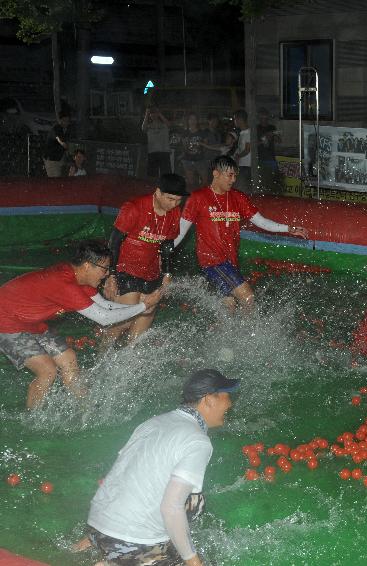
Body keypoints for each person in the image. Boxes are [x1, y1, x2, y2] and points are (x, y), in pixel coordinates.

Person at [76, 368, 239, 566]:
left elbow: (119, 473)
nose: (230, 403)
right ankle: (123, 559)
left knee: (193, 499)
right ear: (208, 399)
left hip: (97, 526)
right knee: (196, 507)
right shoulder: (198, 441)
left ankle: (110, 551)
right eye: (227, 396)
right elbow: (171, 507)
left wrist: (99, 533)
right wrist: (194, 563)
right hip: (132, 541)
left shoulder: (154, 422)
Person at [0, 241, 161, 408]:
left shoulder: (77, 277)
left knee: (69, 359)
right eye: (104, 268)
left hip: (30, 321)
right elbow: (104, 318)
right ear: (87, 266)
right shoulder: (63, 284)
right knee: (47, 371)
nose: (106, 274)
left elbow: (106, 306)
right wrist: (143, 306)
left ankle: (86, 407)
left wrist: (140, 308)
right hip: (5, 322)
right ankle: (31, 418)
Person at [175, 156, 309, 311]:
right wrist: (161, 252)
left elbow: (262, 222)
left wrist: (289, 229)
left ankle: (229, 333)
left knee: (229, 306)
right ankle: (250, 333)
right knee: (248, 297)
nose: (233, 179)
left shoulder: (238, 197)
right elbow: (181, 231)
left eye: (235, 175)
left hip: (231, 259)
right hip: (212, 261)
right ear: (216, 174)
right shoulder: (198, 197)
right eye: (229, 175)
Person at [104, 174, 187, 344]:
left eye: (178, 200)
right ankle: (101, 355)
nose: (174, 204)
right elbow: (114, 241)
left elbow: (167, 244)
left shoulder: (175, 212)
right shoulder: (134, 208)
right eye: (170, 199)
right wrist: (111, 275)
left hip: (151, 272)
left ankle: (129, 362)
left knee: (142, 325)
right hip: (126, 268)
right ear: (158, 192)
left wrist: (167, 273)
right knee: (124, 321)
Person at [180, 113, 210, 189]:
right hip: (188, 159)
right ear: (188, 121)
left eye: (194, 119)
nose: (192, 121)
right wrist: (186, 145)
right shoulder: (185, 133)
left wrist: (202, 150)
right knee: (191, 183)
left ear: (197, 121)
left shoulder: (202, 132)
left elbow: (206, 146)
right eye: (191, 119)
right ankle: (193, 198)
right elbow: (184, 148)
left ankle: (202, 197)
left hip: (200, 159)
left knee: (205, 182)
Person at [143, 106, 172, 178]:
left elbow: (169, 125)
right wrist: (147, 113)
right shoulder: (148, 126)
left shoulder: (164, 125)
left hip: (164, 152)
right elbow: (143, 128)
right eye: (151, 113)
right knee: (152, 176)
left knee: (166, 175)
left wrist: (159, 113)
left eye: (155, 113)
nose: (153, 115)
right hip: (152, 152)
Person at [43, 112, 71, 177]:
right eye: (64, 120)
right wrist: (67, 147)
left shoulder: (65, 130)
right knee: (55, 180)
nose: (66, 122)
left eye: (67, 121)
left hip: (57, 159)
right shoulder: (57, 128)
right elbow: (61, 142)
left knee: (57, 179)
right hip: (51, 159)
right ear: (60, 120)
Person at [232, 109, 252, 193]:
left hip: (246, 165)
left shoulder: (248, 132)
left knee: (243, 188)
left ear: (240, 119)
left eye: (235, 119)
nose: (234, 121)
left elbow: (247, 150)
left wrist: (238, 156)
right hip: (242, 164)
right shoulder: (242, 133)